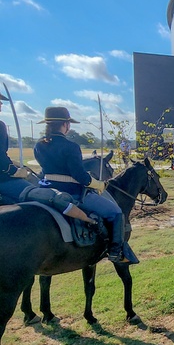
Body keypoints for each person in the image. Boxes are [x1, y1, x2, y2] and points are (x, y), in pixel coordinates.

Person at [34, 107, 132, 264]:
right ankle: (115, 251)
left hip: (47, 191)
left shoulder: (39, 145)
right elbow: (80, 177)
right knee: (115, 212)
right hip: (71, 192)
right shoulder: (71, 146)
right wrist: (98, 184)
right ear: (66, 125)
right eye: (68, 124)